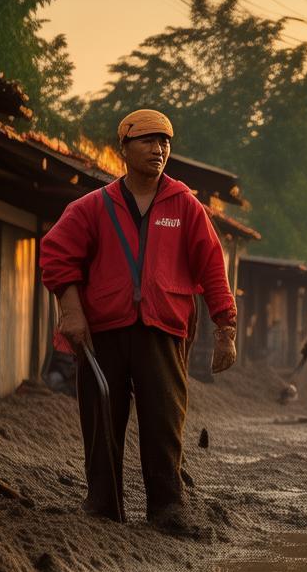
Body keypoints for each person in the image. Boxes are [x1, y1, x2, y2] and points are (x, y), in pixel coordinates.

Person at [40, 109, 236, 531]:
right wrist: (70, 311)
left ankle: (167, 508)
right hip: (103, 332)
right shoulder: (93, 206)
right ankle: (103, 506)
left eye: (165, 141)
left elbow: (212, 268)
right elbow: (57, 254)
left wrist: (225, 328)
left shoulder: (185, 206)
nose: (158, 148)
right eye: (147, 140)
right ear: (123, 148)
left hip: (162, 330)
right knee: (101, 417)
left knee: (164, 418)